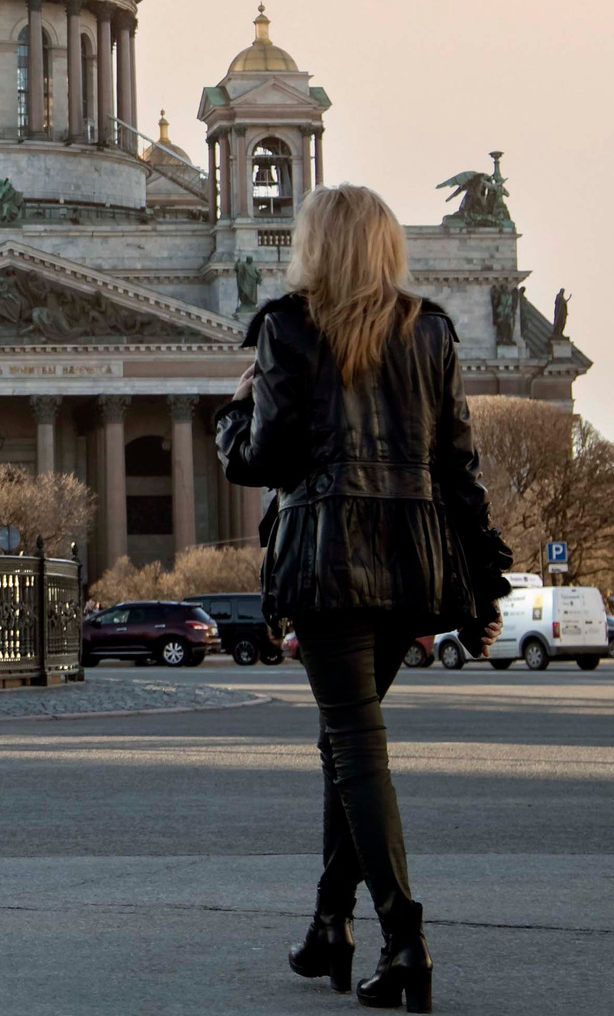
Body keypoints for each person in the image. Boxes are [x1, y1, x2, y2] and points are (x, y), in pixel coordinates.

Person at [223, 183, 508, 1011]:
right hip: (413, 562)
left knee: (354, 747)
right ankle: (328, 925)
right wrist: (483, 585)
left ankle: (405, 938)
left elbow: (263, 460)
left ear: (314, 247)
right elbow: (460, 472)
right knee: (345, 746)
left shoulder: (287, 327)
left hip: (326, 559)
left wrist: (233, 411)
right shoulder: (432, 330)